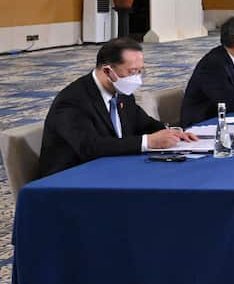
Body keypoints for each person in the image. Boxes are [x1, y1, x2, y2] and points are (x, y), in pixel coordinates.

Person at [37, 38, 198, 180]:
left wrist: (173, 132)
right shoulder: (73, 101)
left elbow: (142, 122)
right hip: (72, 179)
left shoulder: (122, 92)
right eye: (132, 71)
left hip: (112, 168)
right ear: (108, 71)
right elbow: (90, 147)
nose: (137, 78)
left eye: (141, 71)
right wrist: (148, 141)